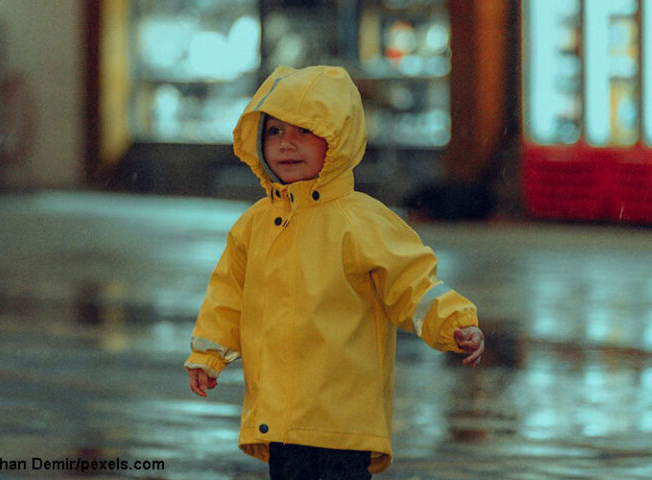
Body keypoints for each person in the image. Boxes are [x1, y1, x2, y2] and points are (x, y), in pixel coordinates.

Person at [185, 65, 484, 479]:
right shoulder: (252, 226)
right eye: (274, 132)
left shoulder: (362, 221)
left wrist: (454, 322)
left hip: (344, 417)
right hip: (281, 417)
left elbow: (412, 284)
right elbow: (228, 296)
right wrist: (208, 354)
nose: (287, 144)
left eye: (305, 131)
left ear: (338, 139)